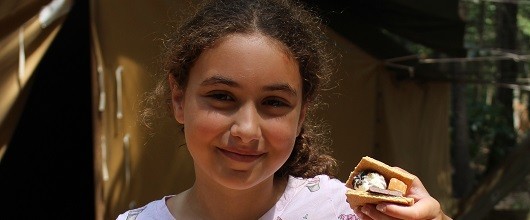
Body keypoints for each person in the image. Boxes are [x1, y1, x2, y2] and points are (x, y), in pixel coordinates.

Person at [117, 0, 452, 219]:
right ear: (179, 98)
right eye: (221, 96)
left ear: (302, 113)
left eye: (274, 103)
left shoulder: (343, 213)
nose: (247, 130)